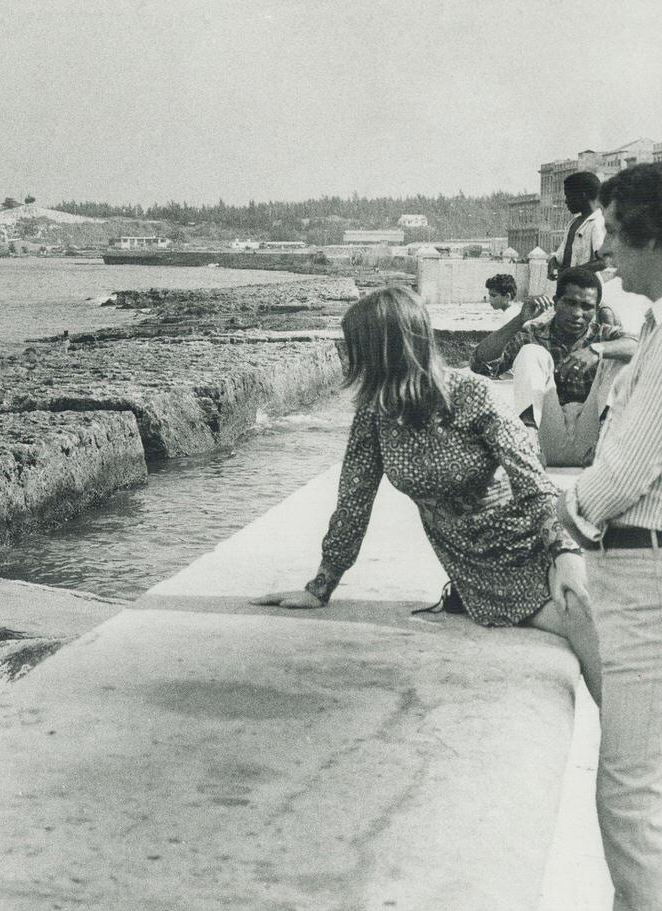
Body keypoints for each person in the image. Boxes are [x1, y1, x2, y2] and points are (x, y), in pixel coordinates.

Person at [253, 286, 600, 703]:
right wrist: (320, 587)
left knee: (594, 613)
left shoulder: (472, 394)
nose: (350, 360)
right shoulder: (374, 414)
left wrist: (564, 553)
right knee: (589, 620)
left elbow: (533, 482)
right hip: (480, 568)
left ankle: (628, 750)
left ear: (388, 349)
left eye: (357, 348)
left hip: (535, 538)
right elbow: (353, 502)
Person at [556, 162, 662, 911]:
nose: (606, 254)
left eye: (619, 236)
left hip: (644, 581)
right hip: (638, 572)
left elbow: (621, 474)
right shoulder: (652, 333)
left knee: (627, 796)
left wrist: (563, 512)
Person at [470, 266, 637, 466]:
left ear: (595, 310)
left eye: (586, 306)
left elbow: (642, 347)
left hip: (594, 443)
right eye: (570, 303)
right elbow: (480, 364)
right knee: (531, 352)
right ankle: (529, 444)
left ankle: (604, 442)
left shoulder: (603, 334)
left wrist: (595, 350)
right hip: (546, 440)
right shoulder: (533, 332)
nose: (577, 313)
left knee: (617, 355)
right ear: (556, 303)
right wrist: (520, 320)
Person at [549, 171, 607, 279]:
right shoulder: (573, 223)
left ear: (582, 196)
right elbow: (561, 257)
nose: (566, 201)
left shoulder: (597, 223)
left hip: (586, 290)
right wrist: (552, 262)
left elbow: (603, 261)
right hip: (567, 287)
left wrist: (575, 272)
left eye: (568, 196)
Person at [484, 272, 550, 318]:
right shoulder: (515, 310)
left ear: (507, 297)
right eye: (490, 296)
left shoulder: (509, 315)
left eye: (493, 296)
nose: (490, 299)